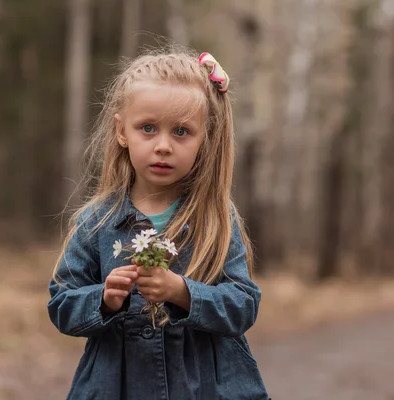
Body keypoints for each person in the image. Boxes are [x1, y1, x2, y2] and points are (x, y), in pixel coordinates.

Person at [48, 48, 270, 400]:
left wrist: (182, 292)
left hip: (206, 388)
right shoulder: (96, 221)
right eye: (147, 128)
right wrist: (103, 299)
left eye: (181, 132)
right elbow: (61, 304)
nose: (163, 146)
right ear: (122, 131)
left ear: (204, 138)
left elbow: (243, 305)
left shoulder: (214, 217)